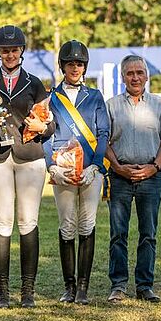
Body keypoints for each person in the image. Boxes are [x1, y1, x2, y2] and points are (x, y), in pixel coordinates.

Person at [0, 25, 55, 309]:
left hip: (29, 157)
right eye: (5, 50)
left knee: (28, 221)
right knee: (1, 221)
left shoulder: (35, 83)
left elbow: (50, 124)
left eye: (14, 50)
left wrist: (42, 126)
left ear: (21, 51)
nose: (9, 55)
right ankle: (2, 292)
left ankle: (28, 291)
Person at [42, 40, 109, 305]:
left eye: (79, 64)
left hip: (90, 168)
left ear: (85, 67)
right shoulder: (51, 98)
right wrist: (52, 165)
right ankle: (68, 286)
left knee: (87, 223)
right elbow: (45, 134)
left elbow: (103, 132)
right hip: (63, 168)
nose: (75, 68)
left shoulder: (95, 97)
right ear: (62, 66)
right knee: (67, 225)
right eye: (70, 63)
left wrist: (96, 165)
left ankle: (83, 287)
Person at [105, 55, 161, 303]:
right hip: (119, 176)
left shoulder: (159, 105)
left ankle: (145, 285)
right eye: (129, 73)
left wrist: (154, 167)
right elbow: (103, 140)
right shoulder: (111, 106)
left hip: (151, 177)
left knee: (148, 233)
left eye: (139, 72)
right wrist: (117, 167)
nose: (135, 77)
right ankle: (118, 285)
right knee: (118, 234)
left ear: (146, 76)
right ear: (122, 77)